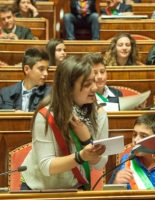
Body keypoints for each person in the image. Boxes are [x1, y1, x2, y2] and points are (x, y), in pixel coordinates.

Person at [20, 55, 109, 190]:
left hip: (75, 187)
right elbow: (47, 166)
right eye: (87, 84)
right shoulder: (45, 115)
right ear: (67, 88)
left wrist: (86, 140)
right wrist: (81, 156)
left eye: (94, 82)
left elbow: (99, 164)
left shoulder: (99, 115)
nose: (95, 88)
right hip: (39, 189)